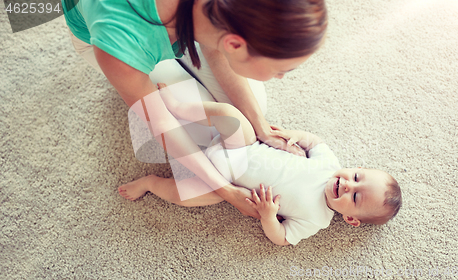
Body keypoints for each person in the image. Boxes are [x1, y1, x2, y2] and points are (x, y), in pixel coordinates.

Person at [61, 0, 328, 218]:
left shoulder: (222, 18)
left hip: (182, 24)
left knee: (248, 111)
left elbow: (214, 48)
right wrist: (228, 192)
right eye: (281, 70)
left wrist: (260, 125)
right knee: (204, 137)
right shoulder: (118, 41)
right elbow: (162, 123)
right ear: (234, 44)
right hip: (119, 41)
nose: (281, 77)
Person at [119, 82, 403, 246]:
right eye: (357, 175)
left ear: (351, 219)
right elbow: (315, 142)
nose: (348, 183)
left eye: (355, 196)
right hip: (243, 146)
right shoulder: (329, 164)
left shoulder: (317, 220)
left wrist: (268, 216)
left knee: (188, 195)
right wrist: (295, 136)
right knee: (230, 115)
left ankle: (151, 183)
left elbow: (281, 238)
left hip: (229, 185)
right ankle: (180, 108)